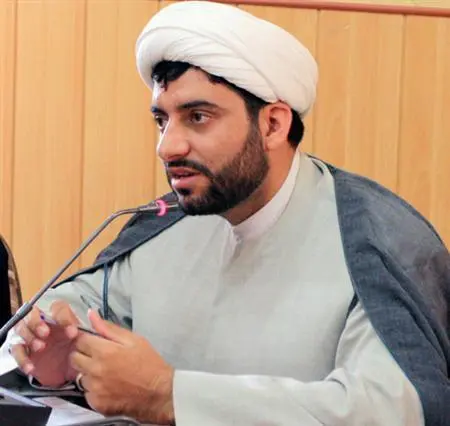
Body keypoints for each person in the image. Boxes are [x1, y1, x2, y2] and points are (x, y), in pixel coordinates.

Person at [3, 1, 450, 425]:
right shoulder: (166, 224)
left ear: (273, 124)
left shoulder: (373, 242)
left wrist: (168, 395)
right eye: (162, 120)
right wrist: (55, 346)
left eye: (197, 117)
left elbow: (390, 409)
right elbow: (74, 307)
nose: (167, 146)